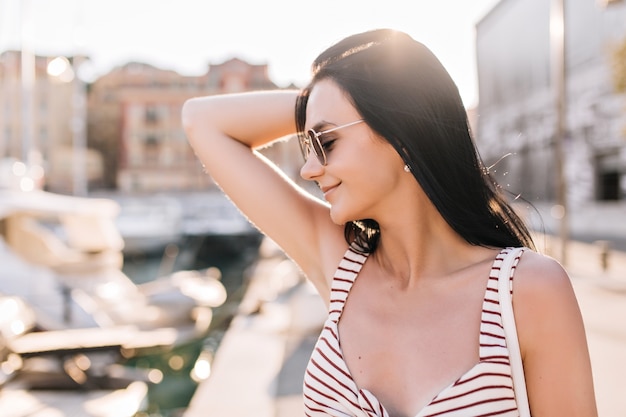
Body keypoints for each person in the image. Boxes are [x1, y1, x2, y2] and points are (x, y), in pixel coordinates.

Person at [182, 29, 597, 417]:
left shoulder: (526, 292)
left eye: (325, 143)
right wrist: (317, 102)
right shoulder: (341, 267)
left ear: (402, 134)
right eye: (307, 146)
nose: (309, 169)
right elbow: (202, 121)